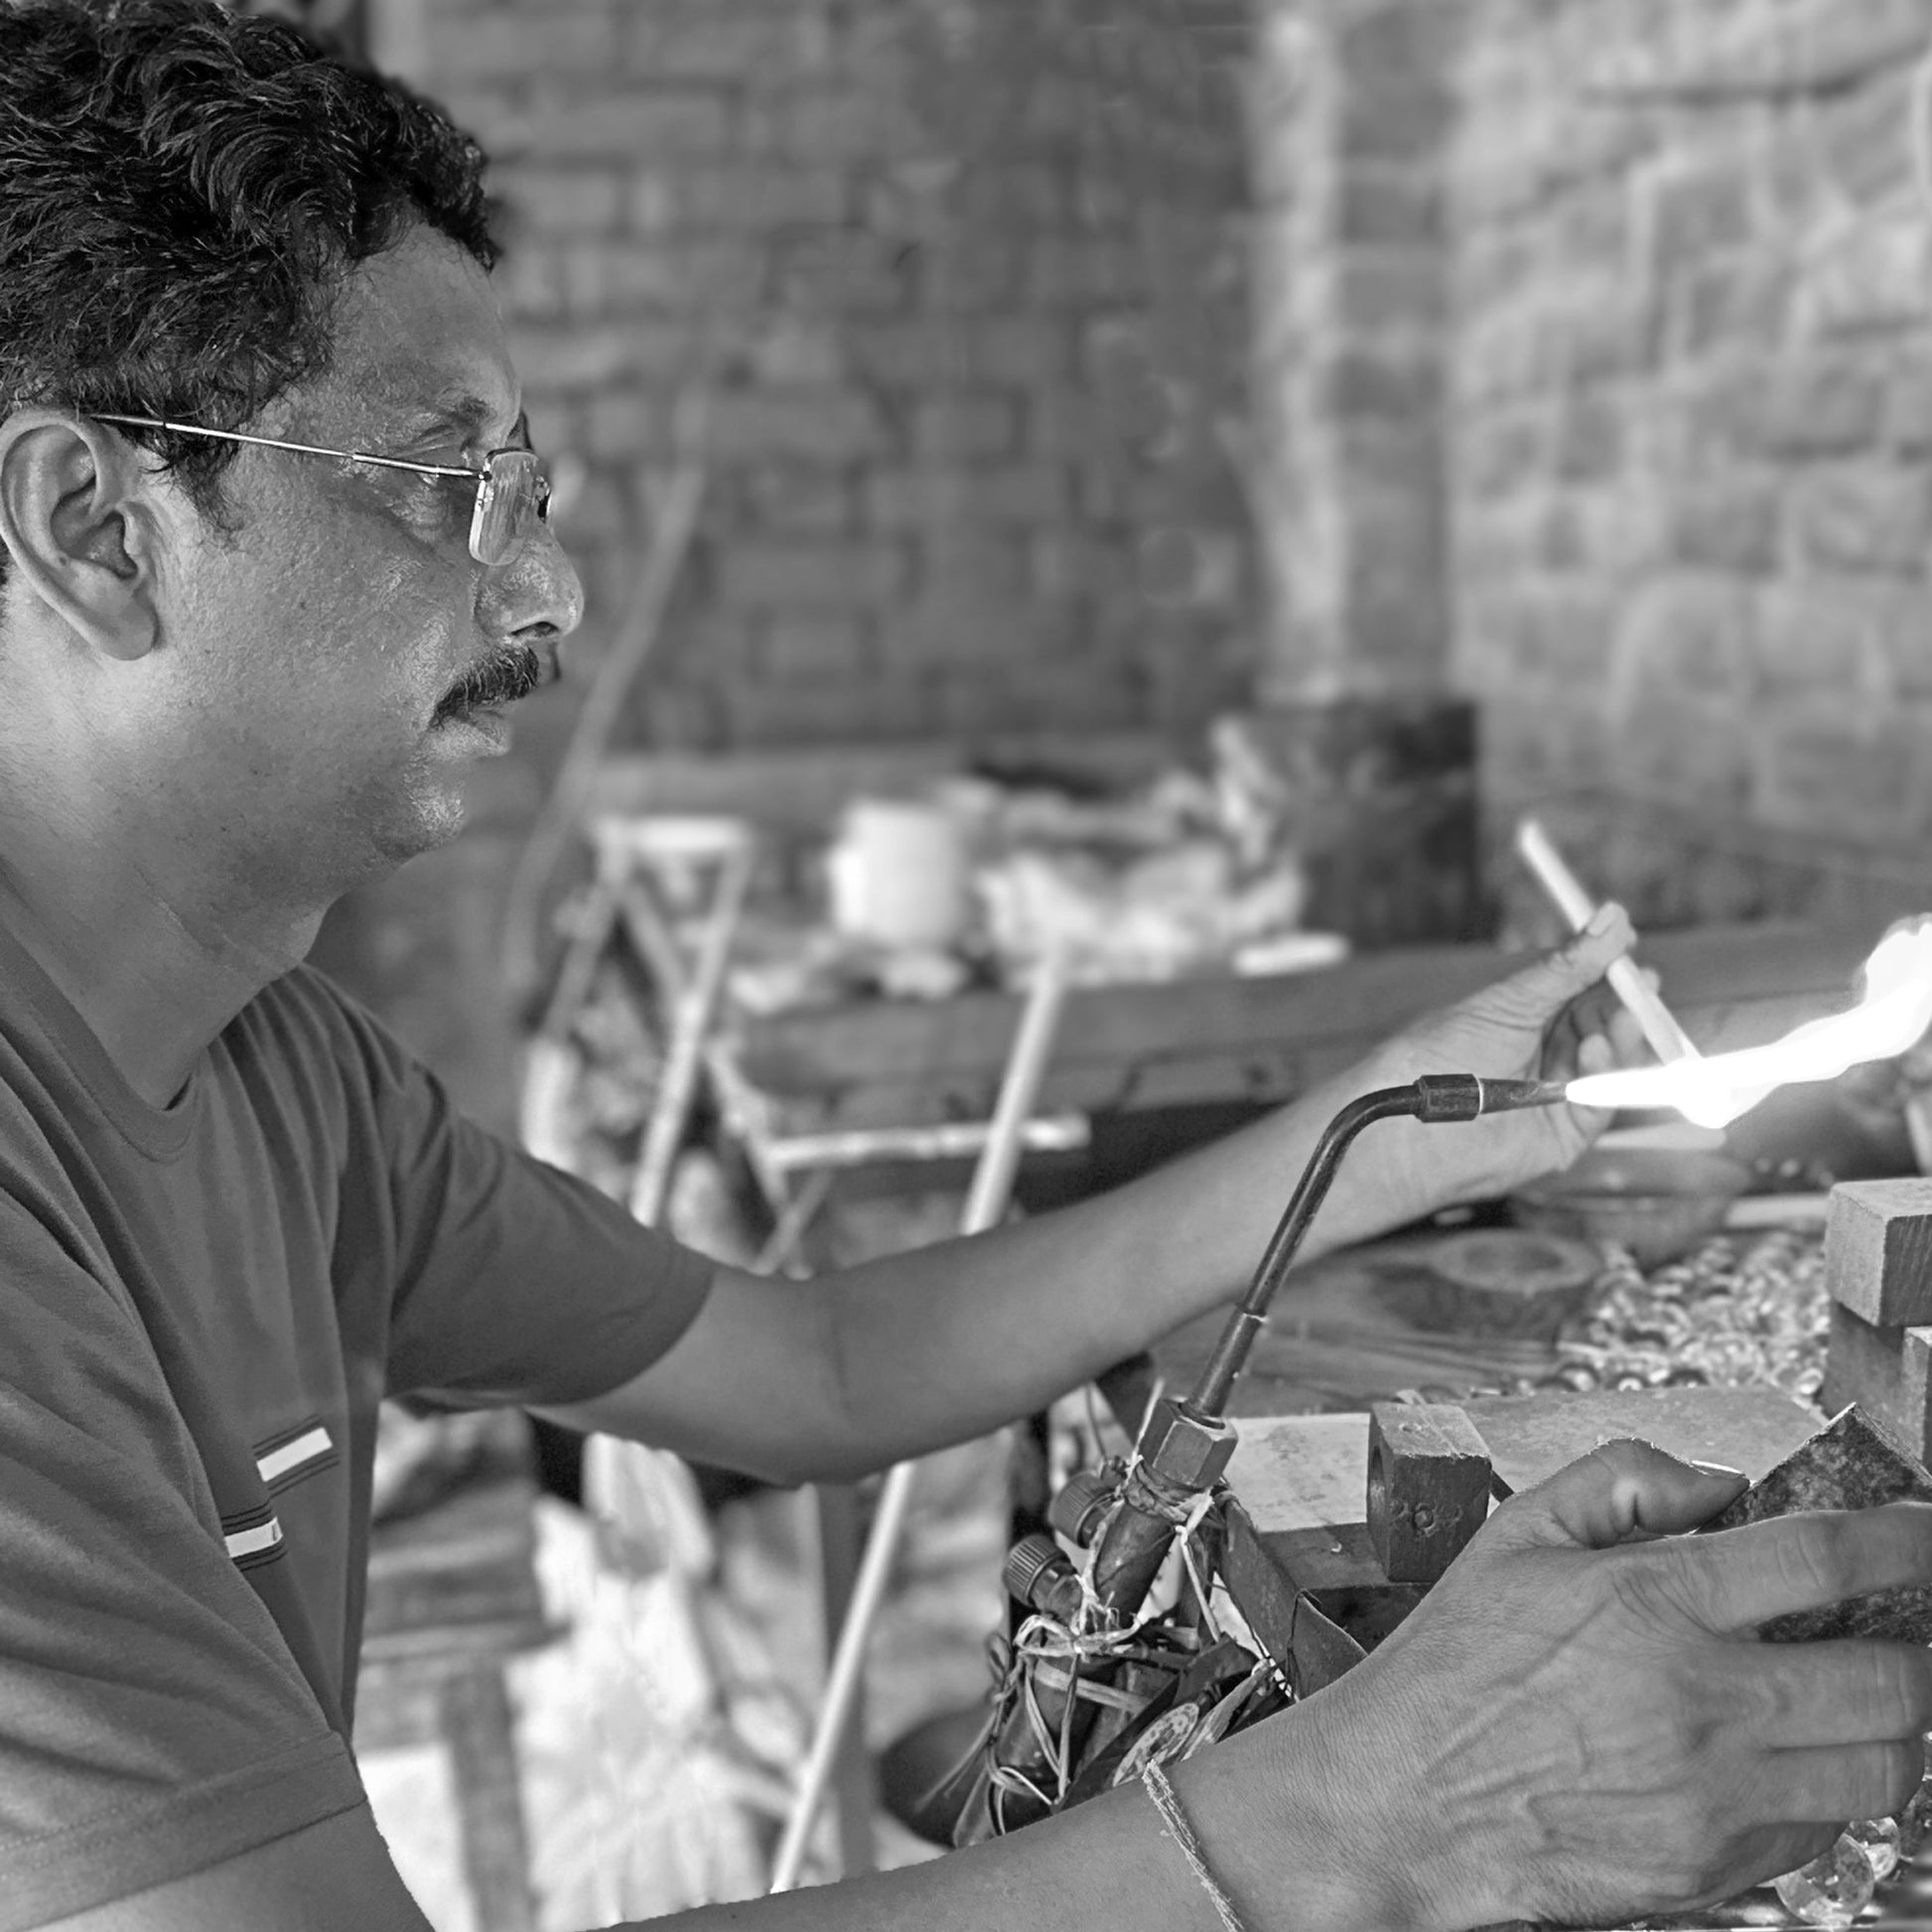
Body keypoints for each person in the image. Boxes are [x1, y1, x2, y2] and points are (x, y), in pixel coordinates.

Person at [0, 6, 1928, 1929]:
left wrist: (1378, 1119)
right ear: (98, 528)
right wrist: (1381, 1808)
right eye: (447, 486)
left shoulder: (278, 1076)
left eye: (536, 489)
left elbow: (814, 1363)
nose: (548, 592)